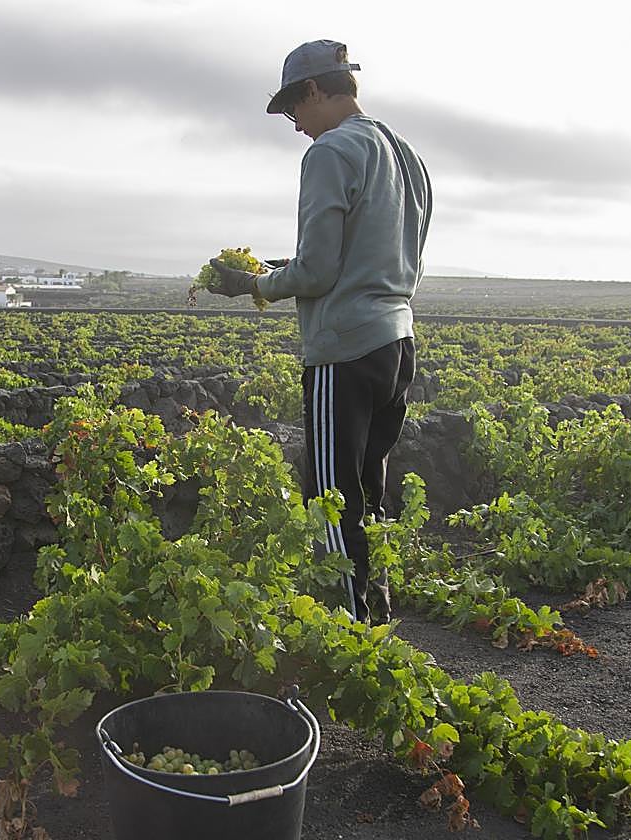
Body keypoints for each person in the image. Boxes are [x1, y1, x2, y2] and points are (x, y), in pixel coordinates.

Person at [205, 39, 432, 623]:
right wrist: (283, 269)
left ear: (314, 90)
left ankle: (345, 625)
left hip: (346, 347)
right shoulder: (404, 153)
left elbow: (318, 272)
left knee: (331, 497)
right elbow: (369, 254)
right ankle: (376, 612)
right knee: (369, 486)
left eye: (293, 110)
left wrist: (253, 283)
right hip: (397, 341)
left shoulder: (331, 151)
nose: (296, 126)